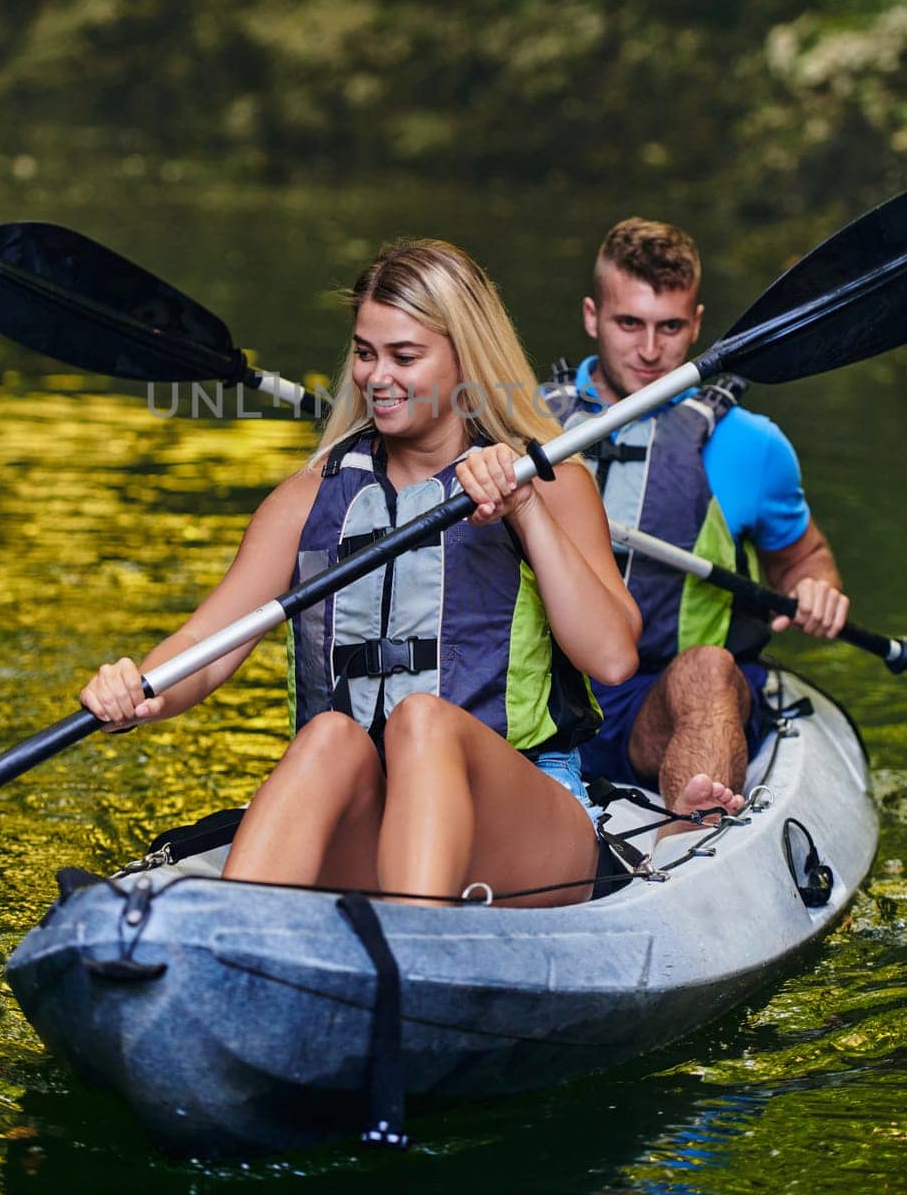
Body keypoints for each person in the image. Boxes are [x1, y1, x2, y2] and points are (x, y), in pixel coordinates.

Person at [81, 239, 640, 907]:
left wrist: (525, 511)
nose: (377, 376)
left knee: (421, 722)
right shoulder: (309, 498)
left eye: (405, 356)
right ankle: (234, 947)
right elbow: (205, 647)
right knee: (327, 738)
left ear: (466, 356)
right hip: (373, 822)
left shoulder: (549, 483)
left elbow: (610, 658)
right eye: (365, 352)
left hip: (526, 824)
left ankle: (413, 955)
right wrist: (138, 692)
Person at [542, 218, 849, 827]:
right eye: (629, 323)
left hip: (660, 704)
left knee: (709, 667)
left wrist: (817, 588)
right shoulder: (524, 426)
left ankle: (692, 845)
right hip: (538, 701)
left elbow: (804, 558)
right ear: (591, 316)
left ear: (698, 324)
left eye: (670, 327)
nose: (650, 351)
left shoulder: (752, 446)